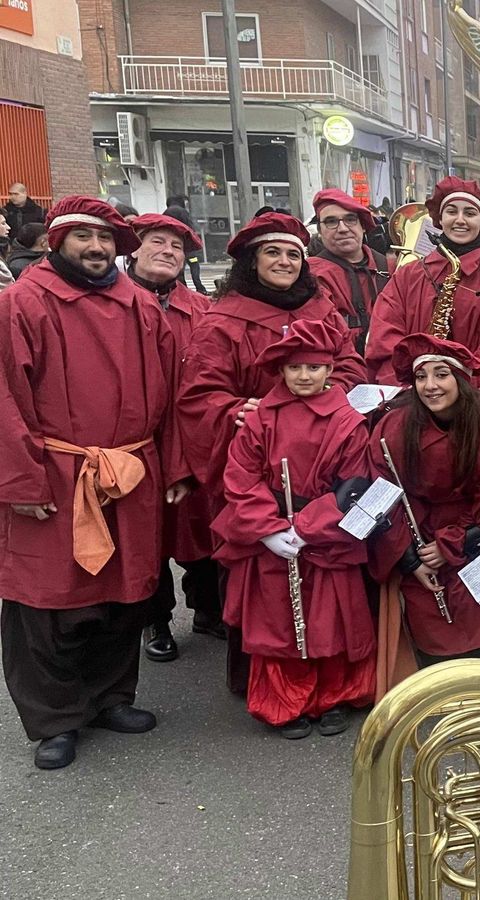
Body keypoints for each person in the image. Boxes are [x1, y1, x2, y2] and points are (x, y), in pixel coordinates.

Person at [0, 197, 190, 769]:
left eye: (106, 237)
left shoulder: (140, 306)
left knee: (124, 594)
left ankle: (110, 697)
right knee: (46, 602)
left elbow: (175, 394)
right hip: (54, 473)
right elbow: (4, 396)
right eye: (83, 235)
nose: (97, 246)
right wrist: (21, 482)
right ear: (57, 240)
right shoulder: (21, 303)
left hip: (131, 471)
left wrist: (176, 466)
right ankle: (55, 719)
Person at [211, 320, 375, 738]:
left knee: (331, 619)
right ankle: (286, 702)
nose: (304, 376)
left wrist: (307, 528)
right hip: (271, 528)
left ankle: (333, 695)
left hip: (324, 531)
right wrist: (267, 529)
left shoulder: (347, 420)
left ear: (329, 370)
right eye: (295, 368)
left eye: (315, 368)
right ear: (282, 370)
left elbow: (354, 483)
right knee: (279, 623)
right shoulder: (262, 417)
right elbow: (240, 475)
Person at [369, 334, 480, 691]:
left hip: (477, 532)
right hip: (416, 533)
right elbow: (383, 497)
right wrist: (410, 557)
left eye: (441, 375)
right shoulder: (393, 428)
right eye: (421, 377)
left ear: (460, 378)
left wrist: (450, 545)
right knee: (423, 602)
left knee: (479, 606)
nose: (430, 386)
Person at [179, 212, 365, 499]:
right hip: (256, 455)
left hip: (324, 449)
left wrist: (326, 393)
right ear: (253, 260)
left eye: (293, 254)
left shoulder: (321, 310)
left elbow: (349, 362)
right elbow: (200, 395)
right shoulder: (221, 322)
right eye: (272, 252)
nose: (284, 261)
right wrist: (235, 410)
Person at [126, 213, 223, 660]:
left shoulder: (201, 310)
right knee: (148, 538)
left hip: (192, 438)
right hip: (136, 441)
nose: (168, 251)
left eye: (177, 247)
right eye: (158, 242)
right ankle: (156, 620)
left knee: (200, 528)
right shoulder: (114, 303)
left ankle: (207, 609)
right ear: (136, 248)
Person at [366, 177, 480, 385]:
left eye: (470, 213)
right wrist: (403, 386)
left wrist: (462, 385)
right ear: (439, 218)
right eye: (452, 211)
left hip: (474, 398)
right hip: (410, 395)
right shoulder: (408, 275)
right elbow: (384, 334)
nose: (460, 220)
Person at [307, 188, 391, 353]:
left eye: (350, 219)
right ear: (320, 230)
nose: (343, 228)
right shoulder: (311, 275)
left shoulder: (391, 267)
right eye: (331, 221)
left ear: (363, 226)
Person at [161, 195, 205, 291]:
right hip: (188, 247)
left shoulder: (166, 212)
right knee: (194, 265)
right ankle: (200, 288)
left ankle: (182, 289)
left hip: (175, 246)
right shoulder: (182, 211)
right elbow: (190, 227)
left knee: (179, 270)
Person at [3, 182, 47, 247]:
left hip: (33, 249)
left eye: (16, 194)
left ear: (25, 193)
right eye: (10, 194)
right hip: (11, 249)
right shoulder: (5, 211)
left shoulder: (40, 212)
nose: (12, 197)